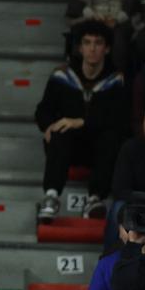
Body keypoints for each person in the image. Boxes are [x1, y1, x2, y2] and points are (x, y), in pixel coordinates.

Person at [35, 20, 128, 221]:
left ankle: (95, 199)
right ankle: (51, 197)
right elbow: (43, 110)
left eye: (98, 43)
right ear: (80, 48)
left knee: (111, 137)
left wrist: (82, 122)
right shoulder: (62, 76)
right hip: (69, 147)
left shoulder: (116, 80)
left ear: (107, 48)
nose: (92, 48)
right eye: (87, 43)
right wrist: (48, 125)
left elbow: (118, 120)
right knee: (60, 130)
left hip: (99, 149)